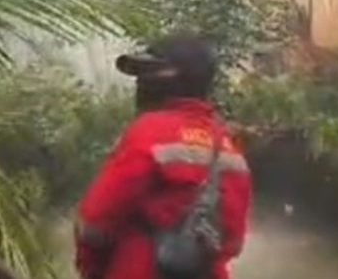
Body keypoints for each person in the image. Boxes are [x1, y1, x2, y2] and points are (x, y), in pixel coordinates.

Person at [76, 33, 254, 279]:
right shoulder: (228, 146)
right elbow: (233, 242)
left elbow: (96, 222)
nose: (140, 82)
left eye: (146, 73)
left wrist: (92, 270)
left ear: (170, 79)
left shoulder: (149, 132)